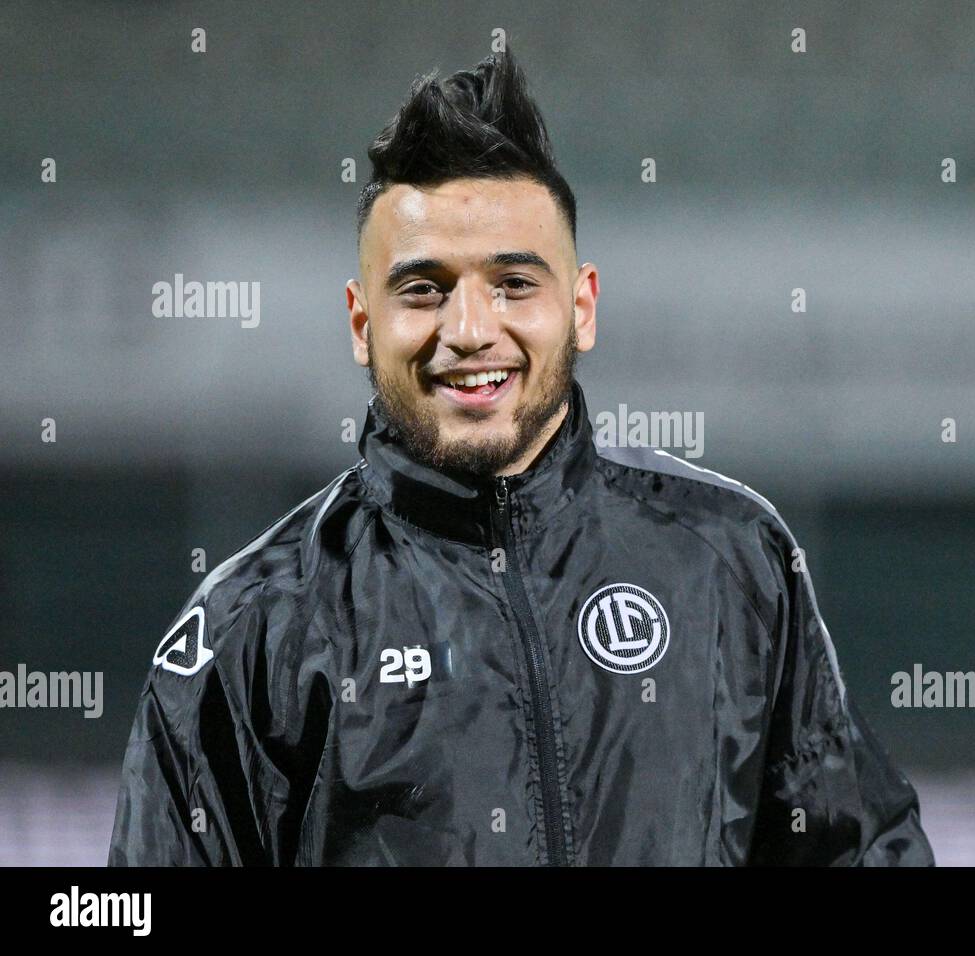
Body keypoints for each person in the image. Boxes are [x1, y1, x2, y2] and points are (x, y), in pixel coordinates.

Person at [108, 47, 932, 866]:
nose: (469, 330)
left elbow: (857, 850)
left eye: (512, 284)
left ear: (582, 309)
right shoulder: (255, 628)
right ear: (363, 324)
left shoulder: (728, 558)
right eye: (423, 288)